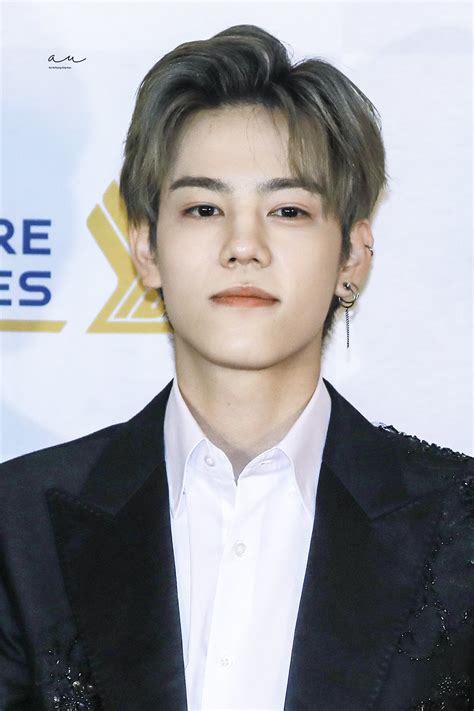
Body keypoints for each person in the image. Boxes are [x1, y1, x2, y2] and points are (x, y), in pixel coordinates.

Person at [0, 23, 472, 711]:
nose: (243, 245)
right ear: (146, 249)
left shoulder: (460, 524)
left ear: (352, 256)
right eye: (204, 208)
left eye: (288, 209)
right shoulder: (19, 525)